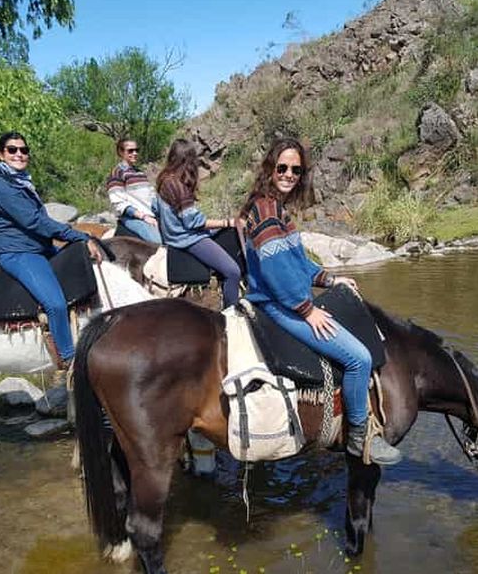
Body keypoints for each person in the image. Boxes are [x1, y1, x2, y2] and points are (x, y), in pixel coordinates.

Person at [239, 137, 402, 465]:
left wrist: (330, 279)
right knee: (358, 359)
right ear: (270, 169)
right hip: (278, 303)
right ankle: (360, 437)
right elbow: (277, 273)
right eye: (282, 167)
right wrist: (307, 309)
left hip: (287, 298)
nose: (288, 175)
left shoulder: (277, 210)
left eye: (295, 170)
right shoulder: (266, 210)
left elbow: (299, 263)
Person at [0, 131, 103, 370]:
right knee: (55, 303)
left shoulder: (20, 181)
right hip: (19, 253)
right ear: (0, 154)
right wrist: (79, 235)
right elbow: (34, 221)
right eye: (12, 150)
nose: (19, 154)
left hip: (39, 248)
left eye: (24, 150)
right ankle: (68, 359)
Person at [153, 138, 241, 308]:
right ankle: (233, 313)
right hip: (187, 239)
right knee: (233, 271)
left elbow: (155, 209)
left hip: (174, 235)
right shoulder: (178, 186)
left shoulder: (163, 179)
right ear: (187, 160)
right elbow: (194, 222)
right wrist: (227, 221)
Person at [105, 138, 162, 244]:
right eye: (130, 151)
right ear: (121, 152)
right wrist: (144, 217)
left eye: (136, 150)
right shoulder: (117, 173)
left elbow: (152, 197)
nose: (135, 153)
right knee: (158, 243)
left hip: (150, 215)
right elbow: (119, 204)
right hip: (132, 218)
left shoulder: (140, 173)